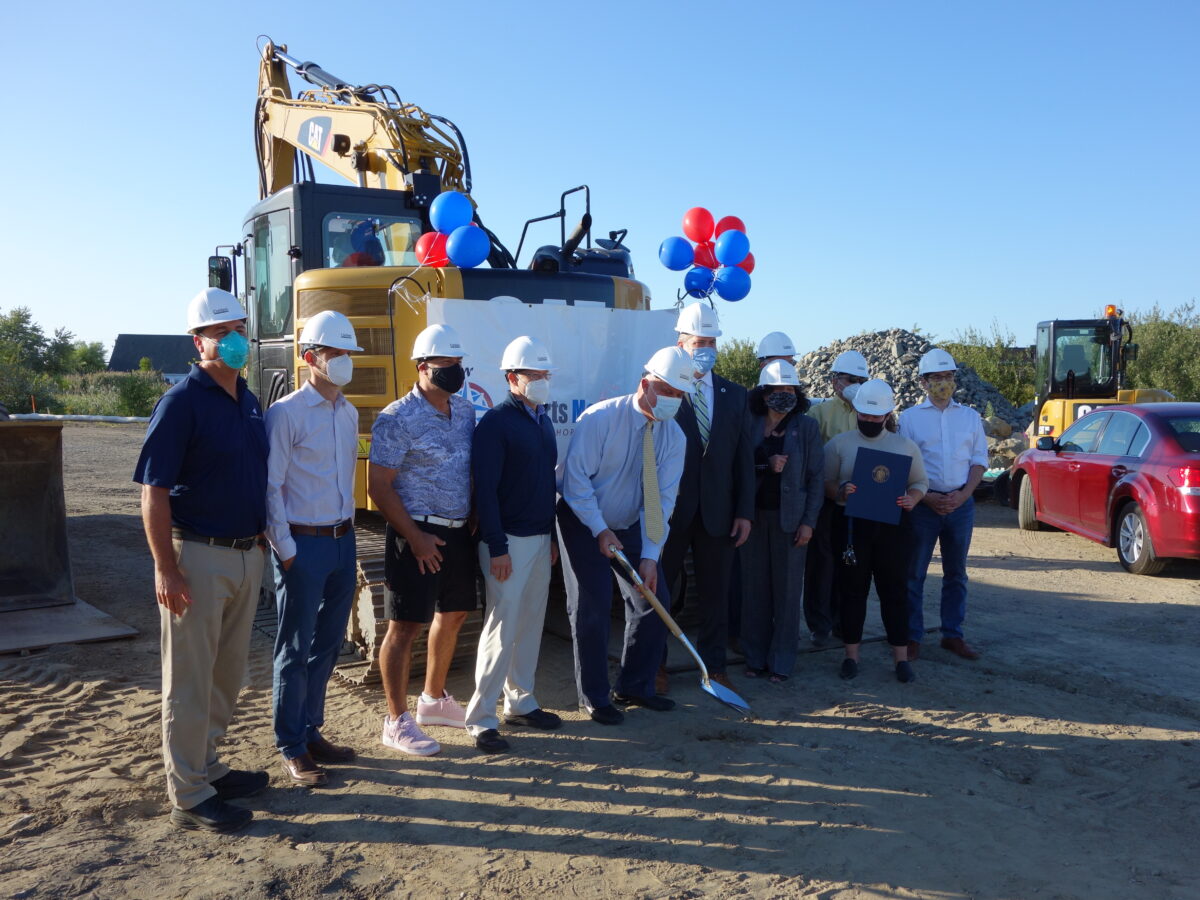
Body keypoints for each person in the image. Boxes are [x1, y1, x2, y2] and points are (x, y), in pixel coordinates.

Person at [133, 287, 268, 833]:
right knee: (189, 678)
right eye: (221, 332)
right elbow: (153, 493)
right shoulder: (181, 402)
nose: (234, 339)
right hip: (198, 557)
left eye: (239, 329)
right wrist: (166, 567)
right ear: (199, 342)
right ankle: (188, 791)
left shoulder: (249, 400)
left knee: (226, 673)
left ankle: (207, 763)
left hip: (243, 554)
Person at [557, 346, 692, 725]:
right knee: (592, 603)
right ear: (645, 384)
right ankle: (595, 697)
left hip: (632, 523)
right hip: (583, 520)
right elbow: (576, 483)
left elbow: (662, 501)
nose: (673, 401)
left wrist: (651, 555)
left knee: (654, 598)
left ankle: (635, 685)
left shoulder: (674, 438)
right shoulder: (600, 419)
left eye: (680, 396)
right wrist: (600, 529)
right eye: (667, 391)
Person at [367, 324, 476, 756]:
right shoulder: (396, 418)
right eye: (444, 364)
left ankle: (433, 700)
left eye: (457, 364)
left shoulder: (465, 412)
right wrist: (415, 536)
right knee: (405, 626)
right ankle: (396, 721)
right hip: (415, 536)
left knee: (454, 614)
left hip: (457, 533)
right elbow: (379, 486)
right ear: (422, 366)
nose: (453, 371)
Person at [264, 310, 362, 787]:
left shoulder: (349, 412)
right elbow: (270, 487)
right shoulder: (285, 414)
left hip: (343, 543)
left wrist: (352, 542)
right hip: (303, 544)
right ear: (310, 358)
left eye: (349, 353)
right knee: (295, 647)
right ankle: (291, 744)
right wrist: (285, 550)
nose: (345, 361)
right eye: (336, 353)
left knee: (327, 645)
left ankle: (311, 729)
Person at [465, 336, 562, 754]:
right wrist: (497, 545)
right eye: (533, 375)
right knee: (501, 629)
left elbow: (547, 485)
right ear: (512, 378)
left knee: (529, 626)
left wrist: (552, 537)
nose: (541, 381)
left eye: (545, 375)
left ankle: (520, 700)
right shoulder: (495, 424)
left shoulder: (541, 420)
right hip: (508, 544)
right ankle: (481, 719)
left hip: (540, 539)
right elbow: (485, 490)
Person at [660, 303, 754, 692]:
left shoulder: (735, 395)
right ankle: (655, 665)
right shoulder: (664, 388)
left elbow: (744, 458)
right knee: (659, 591)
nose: (707, 349)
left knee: (715, 593)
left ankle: (714, 666)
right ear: (681, 343)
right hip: (670, 511)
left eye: (712, 342)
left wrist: (744, 512)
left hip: (718, 513)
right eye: (700, 341)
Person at [824, 379, 927, 683]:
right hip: (852, 528)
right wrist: (841, 491)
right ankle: (851, 656)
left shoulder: (905, 446)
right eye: (864, 415)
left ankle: (900, 658)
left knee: (894, 591)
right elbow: (825, 483)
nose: (869, 420)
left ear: (887, 415)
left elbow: (921, 482)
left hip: (894, 528)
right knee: (852, 591)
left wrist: (913, 498)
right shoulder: (839, 444)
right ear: (856, 412)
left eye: (875, 416)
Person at [899, 348, 989, 661]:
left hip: (961, 506)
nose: (943, 383)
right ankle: (911, 638)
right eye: (936, 377)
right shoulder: (909, 419)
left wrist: (963, 495)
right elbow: (904, 466)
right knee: (914, 575)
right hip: (924, 506)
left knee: (956, 575)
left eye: (948, 376)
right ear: (923, 382)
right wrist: (928, 497)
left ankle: (953, 635)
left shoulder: (970, 417)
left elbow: (979, 461)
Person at [740, 361, 824, 682]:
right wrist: (765, 463)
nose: (783, 395)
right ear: (763, 394)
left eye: (789, 390)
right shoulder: (748, 425)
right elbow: (738, 465)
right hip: (752, 519)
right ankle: (754, 657)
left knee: (787, 594)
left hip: (791, 522)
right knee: (754, 590)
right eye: (777, 390)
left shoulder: (807, 428)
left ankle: (782, 661)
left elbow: (816, 479)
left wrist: (809, 522)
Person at [804, 349, 871, 647]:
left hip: (863, 500)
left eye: (860, 379)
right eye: (849, 379)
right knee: (823, 564)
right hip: (828, 500)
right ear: (834, 381)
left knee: (855, 564)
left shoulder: (870, 411)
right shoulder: (819, 414)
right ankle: (820, 624)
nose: (854, 384)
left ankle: (846, 622)